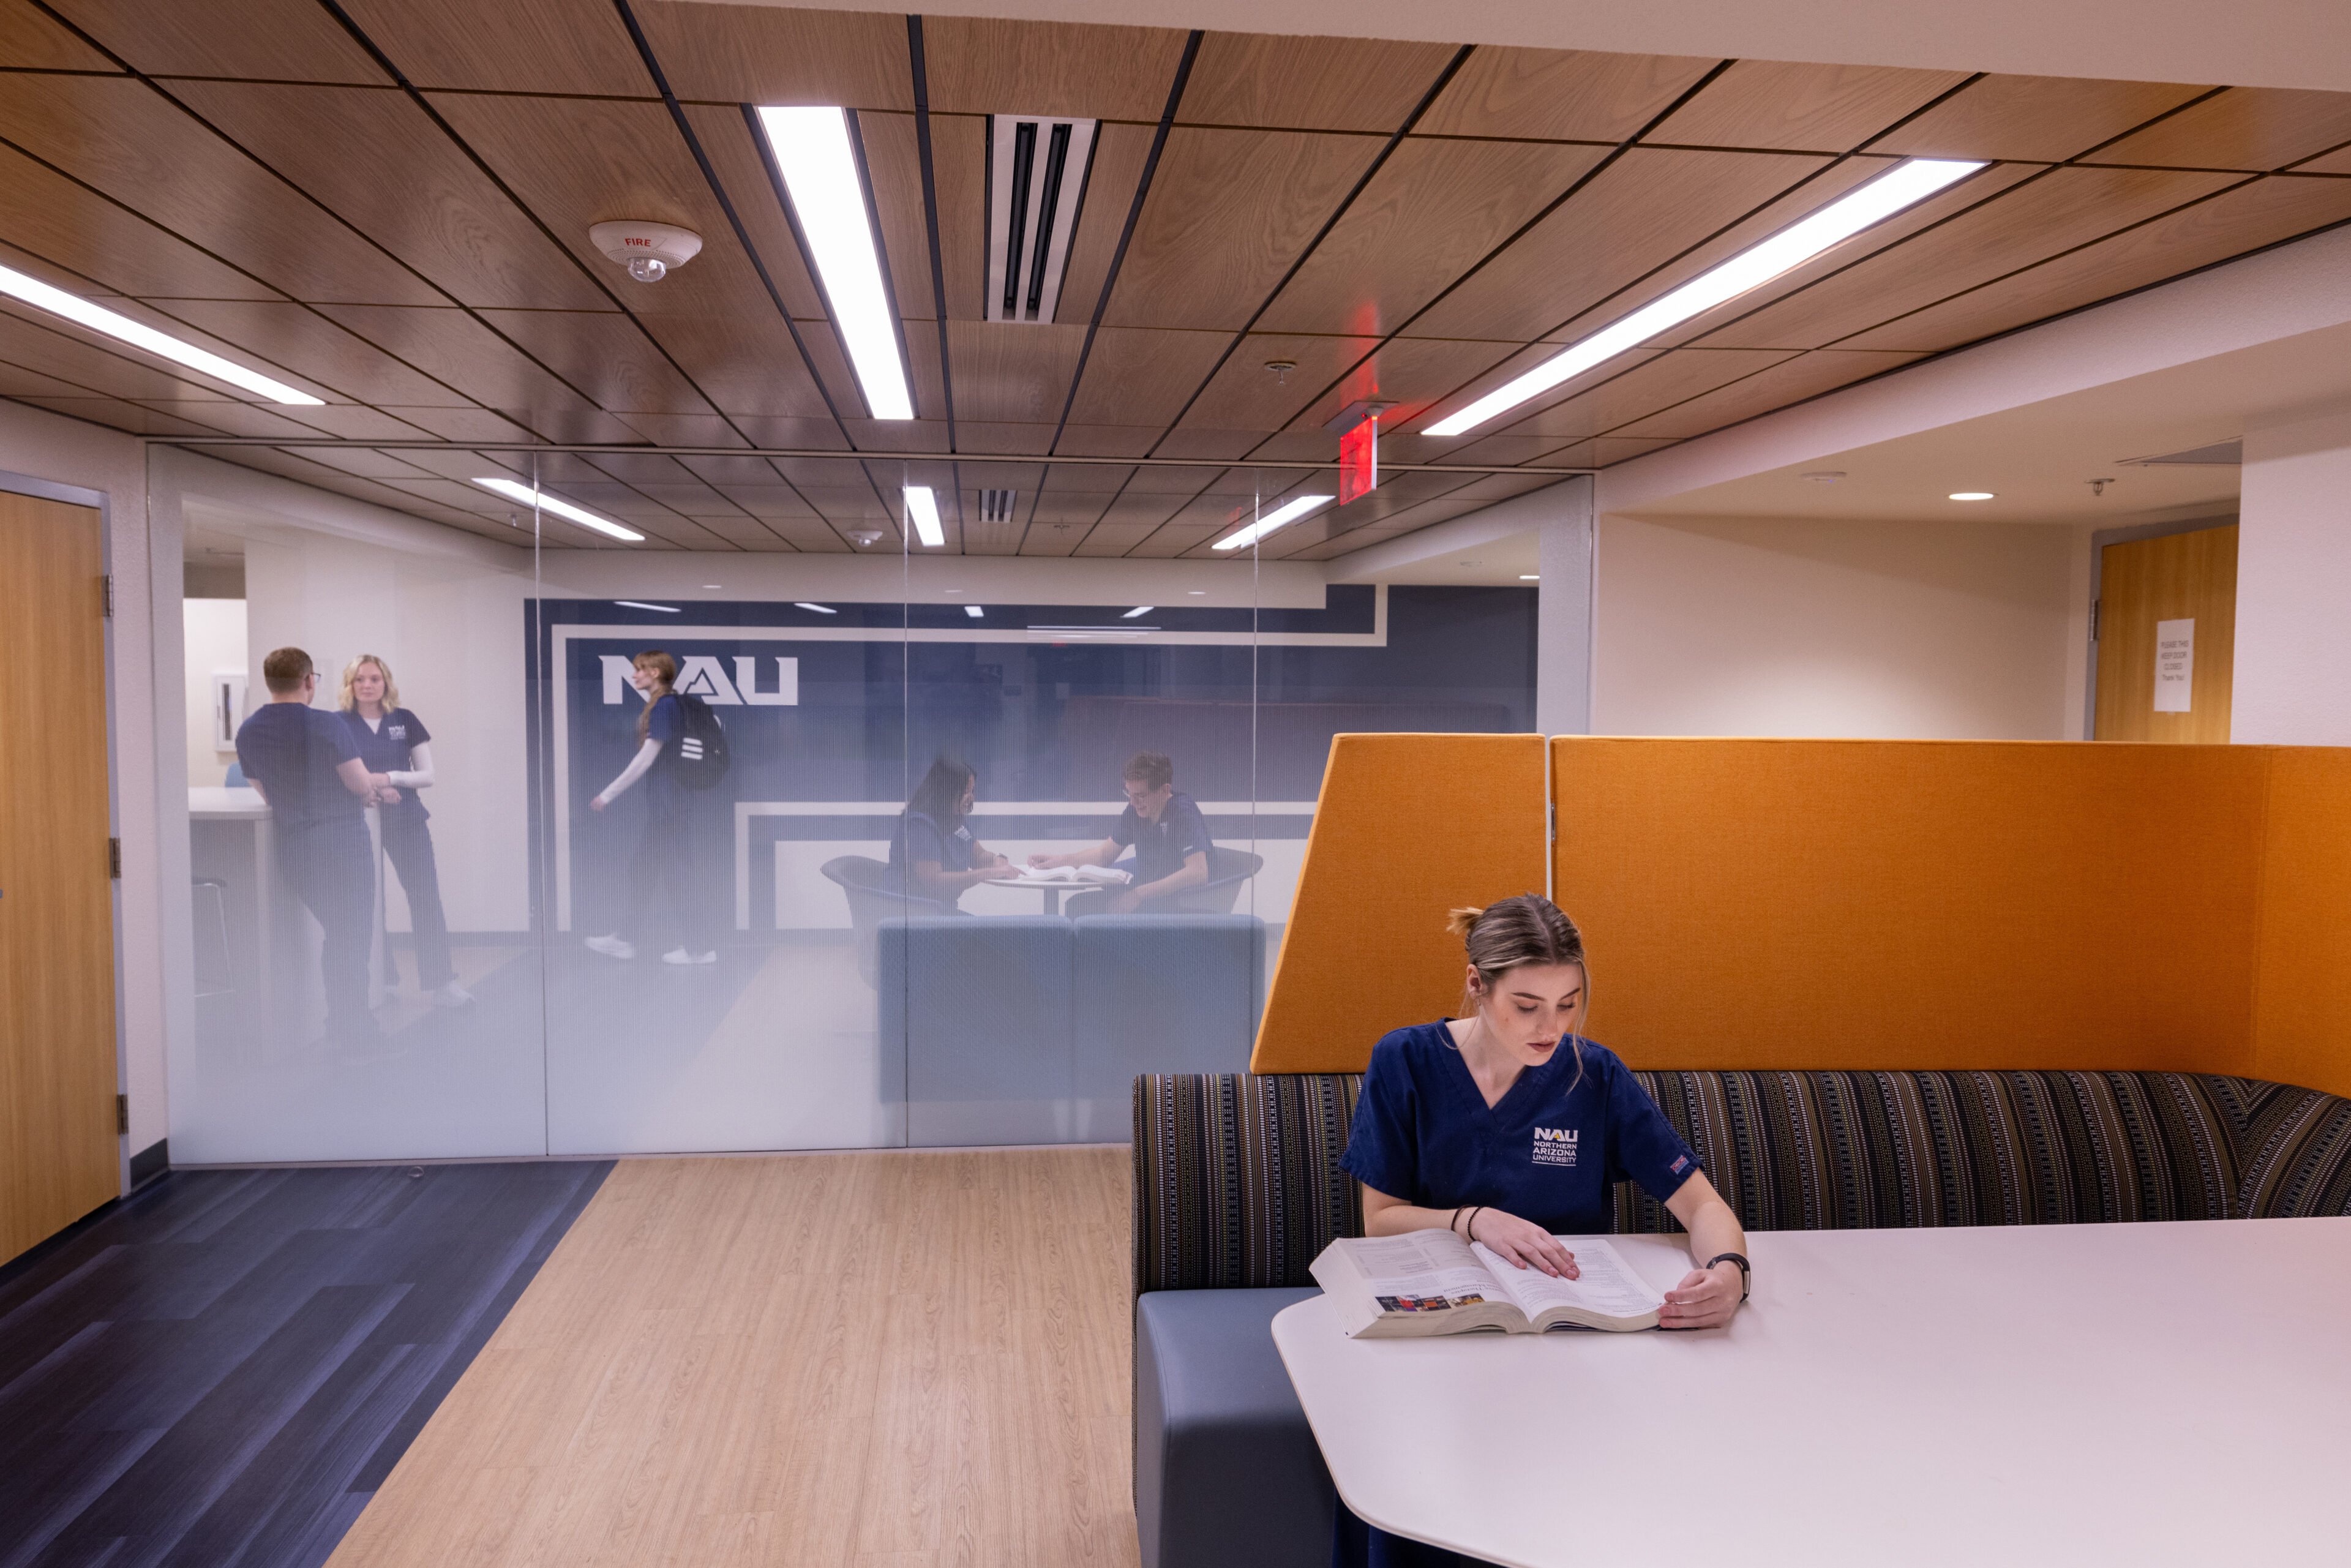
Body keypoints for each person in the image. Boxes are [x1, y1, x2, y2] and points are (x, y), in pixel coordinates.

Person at [1334, 894, 1750, 1567]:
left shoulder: (1596, 1075)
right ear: (1476, 983)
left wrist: (1731, 1270)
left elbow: (1704, 1207)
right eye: (1526, 1005)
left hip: (1569, 1340)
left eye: (1568, 1002)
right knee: (1420, 1486)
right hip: (1445, 1338)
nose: (1550, 1026)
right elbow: (1379, 1220)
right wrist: (1472, 1220)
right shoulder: (1406, 1060)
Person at [234, 646, 392, 1045]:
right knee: (350, 939)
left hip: (296, 849)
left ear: (270, 683)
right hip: (341, 845)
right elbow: (358, 784)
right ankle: (351, 1029)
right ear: (309, 681)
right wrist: (372, 788)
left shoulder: (249, 730)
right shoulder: (326, 724)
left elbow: (267, 794)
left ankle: (343, 1025)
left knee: (337, 934)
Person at [338, 654, 470, 1009]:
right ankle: (385, 980)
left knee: (425, 897)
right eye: (360, 680)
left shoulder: (405, 720)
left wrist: (387, 779)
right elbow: (333, 774)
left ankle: (442, 982)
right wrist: (372, 790)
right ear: (350, 685)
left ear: (386, 683)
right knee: (369, 903)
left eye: (374, 679)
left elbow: (427, 776)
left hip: (406, 820)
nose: (367, 685)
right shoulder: (337, 724)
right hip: (359, 822)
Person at [585, 650, 718, 966]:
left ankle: (699, 950)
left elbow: (647, 757)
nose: (634, 676)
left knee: (673, 876)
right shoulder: (661, 706)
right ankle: (627, 940)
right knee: (645, 875)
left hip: (670, 808)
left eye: (639, 670)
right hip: (665, 808)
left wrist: (607, 794)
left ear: (656, 673)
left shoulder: (666, 706)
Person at [1028, 750, 1212, 915]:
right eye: (1129, 794)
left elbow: (1198, 872)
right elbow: (1103, 855)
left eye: (1140, 795)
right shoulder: (1136, 810)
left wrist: (1138, 894)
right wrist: (1058, 861)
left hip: (1176, 902)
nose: (1133, 802)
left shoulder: (1183, 812)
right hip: (1149, 896)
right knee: (1078, 906)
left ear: (1165, 790)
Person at [887, 756, 1010, 909]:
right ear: (947, 791)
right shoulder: (919, 824)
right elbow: (933, 883)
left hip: (941, 913)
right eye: (965, 791)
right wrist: (985, 874)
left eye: (972, 791)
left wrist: (996, 860)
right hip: (917, 915)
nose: (970, 798)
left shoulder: (953, 818)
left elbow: (978, 856)